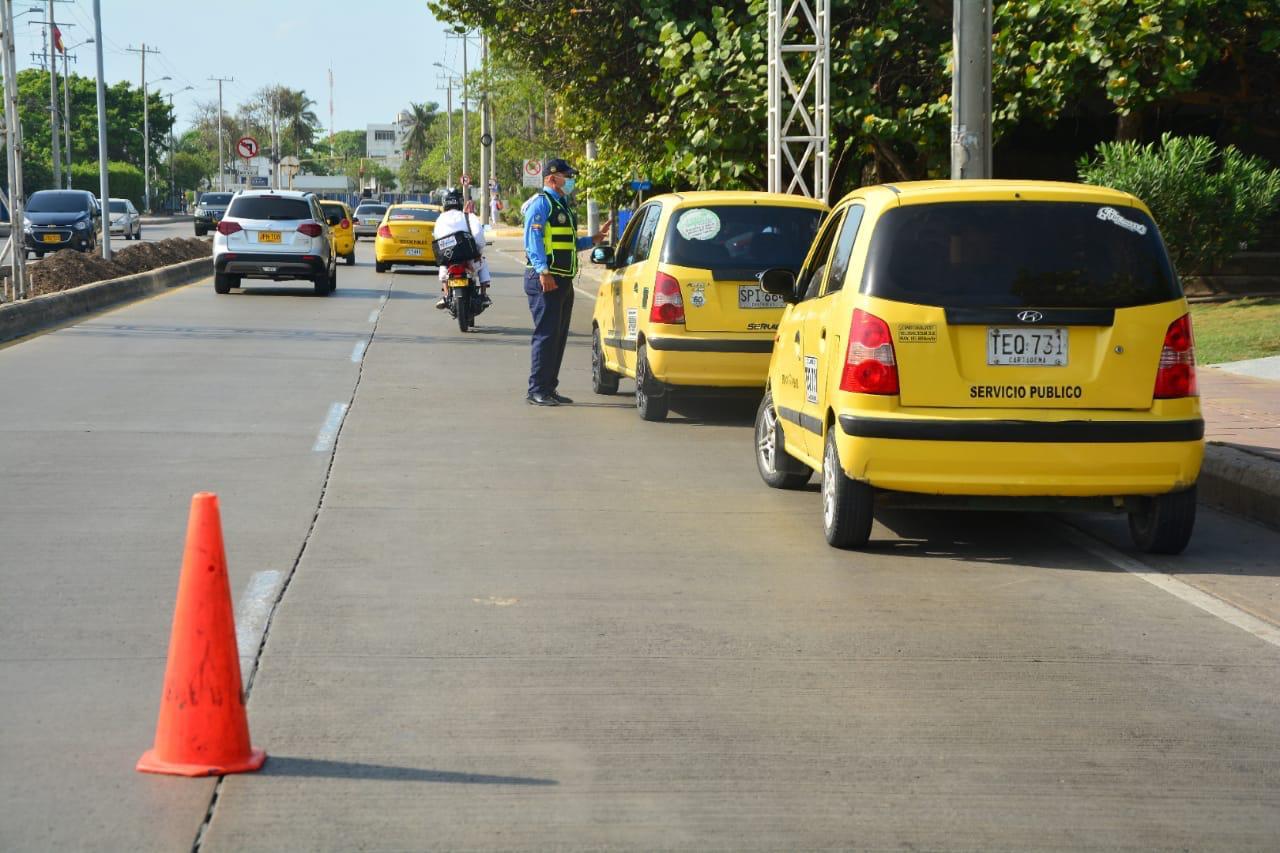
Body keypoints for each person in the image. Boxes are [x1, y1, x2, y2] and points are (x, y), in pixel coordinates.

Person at [522, 158, 611, 406]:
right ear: (552, 178)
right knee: (546, 335)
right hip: (545, 279)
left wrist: (592, 239)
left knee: (558, 336)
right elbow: (533, 240)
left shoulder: (563, 205)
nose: (569, 180)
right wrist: (543, 271)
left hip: (563, 279)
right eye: (566, 175)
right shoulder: (542, 204)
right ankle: (536, 389)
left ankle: (549, 388)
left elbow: (568, 242)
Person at [434, 189, 492, 310]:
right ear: (460, 202)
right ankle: (484, 295)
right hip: (468, 259)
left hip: (448, 259)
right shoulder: (468, 216)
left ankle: (445, 295)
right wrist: (478, 253)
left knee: (443, 270)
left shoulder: (440, 219)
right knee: (483, 264)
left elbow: (437, 237)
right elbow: (478, 237)